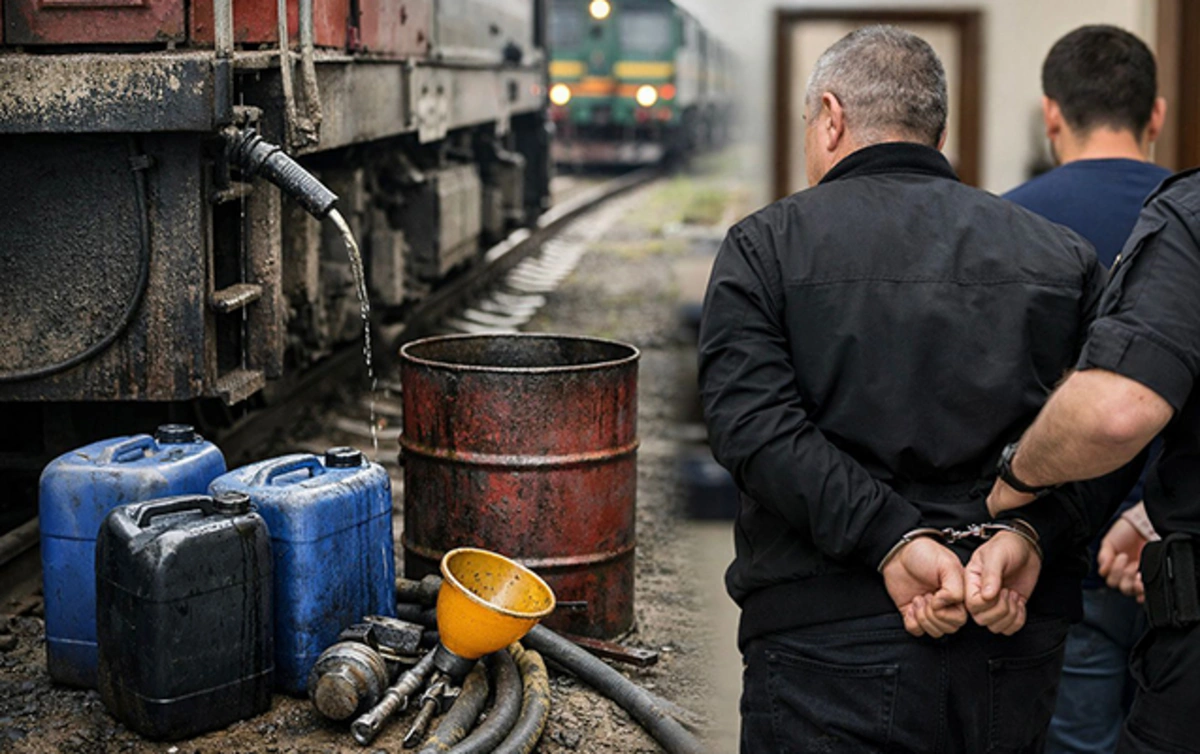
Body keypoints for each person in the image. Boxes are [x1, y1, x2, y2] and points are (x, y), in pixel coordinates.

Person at [699, 25, 1119, 752]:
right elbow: (1103, 430)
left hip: (821, 643)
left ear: (830, 117)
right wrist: (1029, 535)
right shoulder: (1063, 257)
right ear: (939, 132)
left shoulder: (764, 247)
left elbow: (755, 429)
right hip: (1009, 635)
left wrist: (892, 540)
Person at [987, 158, 1200, 752]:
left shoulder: (1187, 216)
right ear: (1154, 113)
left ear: (1053, 114)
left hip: (1082, 548)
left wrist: (1015, 480)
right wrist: (1144, 513)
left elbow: (1115, 411)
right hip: (1140, 545)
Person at [1003, 25, 1170, 754]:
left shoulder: (1003, 222)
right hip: (1179, 536)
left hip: (1060, 546)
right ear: (1155, 114)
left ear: (1051, 114)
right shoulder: (1189, 217)